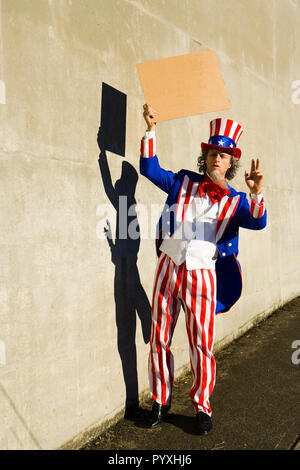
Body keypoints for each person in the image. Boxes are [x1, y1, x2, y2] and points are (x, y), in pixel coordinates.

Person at [139, 103, 267, 434]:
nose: (217, 158)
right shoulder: (182, 181)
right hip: (169, 265)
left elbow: (257, 221)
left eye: (223, 154)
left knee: (201, 343)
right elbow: (150, 169)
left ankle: (201, 407)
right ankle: (160, 401)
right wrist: (151, 128)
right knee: (159, 338)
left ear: (231, 162)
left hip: (202, 273)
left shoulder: (237, 199)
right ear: (205, 156)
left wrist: (257, 194)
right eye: (212, 152)